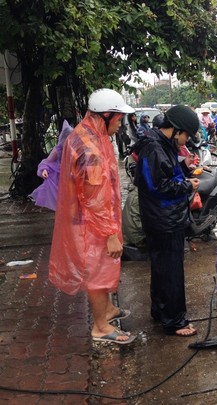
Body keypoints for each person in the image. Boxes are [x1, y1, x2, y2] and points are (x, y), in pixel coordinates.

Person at [49, 88, 136, 345]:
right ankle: (100, 327)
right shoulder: (91, 151)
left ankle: (107, 310)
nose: (120, 125)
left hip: (89, 219)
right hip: (91, 224)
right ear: (106, 115)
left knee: (102, 268)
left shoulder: (88, 135)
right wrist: (110, 234)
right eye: (119, 119)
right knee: (97, 272)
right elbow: (95, 199)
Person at [133, 105, 200, 337]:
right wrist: (187, 185)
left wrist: (184, 167)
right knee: (171, 272)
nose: (185, 141)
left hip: (163, 217)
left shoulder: (161, 145)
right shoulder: (153, 147)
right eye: (186, 136)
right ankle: (174, 321)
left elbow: (164, 173)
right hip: (163, 219)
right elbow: (157, 186)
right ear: (176, 130)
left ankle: (160, 311)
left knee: (162, 269)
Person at [29, 120, 73, 211]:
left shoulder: (76, 149)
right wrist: (44, 170)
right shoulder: (58, 150)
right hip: (61, 179)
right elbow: (47, 162)